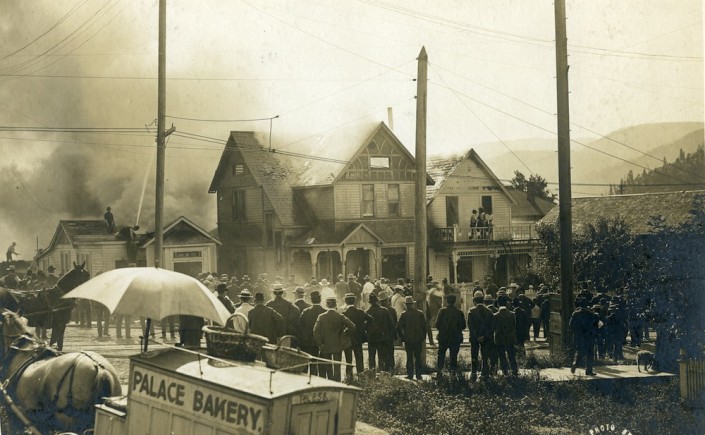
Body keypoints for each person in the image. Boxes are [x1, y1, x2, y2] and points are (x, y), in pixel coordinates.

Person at [313, 296, 356, 382]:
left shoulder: (321, 317)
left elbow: (315, 331)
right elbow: (352, 326)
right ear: (335, 304)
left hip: (325, 345)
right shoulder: (340, 316)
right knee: (337, 366)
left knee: (328, 366)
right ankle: (337, 382)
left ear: (326, 305)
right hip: (337, 344)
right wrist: (344, 333)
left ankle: (329, 382)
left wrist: (320, 343)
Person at [341, 293, 372, 380]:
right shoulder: (360, 312)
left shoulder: (344, 313)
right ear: (354, 301)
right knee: (359, 357)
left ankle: (349, 377)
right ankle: (360, 376)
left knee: (348, 359)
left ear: (346, 302)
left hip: (348, 338)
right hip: (359, 338)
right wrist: (364, 327)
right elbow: (370, 319)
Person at [396, 296, 428, 380]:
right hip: (418, 339)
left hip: (408, 339)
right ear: (413, 304)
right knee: (418, 357)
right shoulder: (420, 313)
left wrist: (402, 337)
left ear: (406, 305)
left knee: (409, 357)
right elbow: (425, 327)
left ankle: (410, 375)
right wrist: (423, 336)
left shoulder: (404, 314)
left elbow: (399, 327)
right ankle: (418, 375)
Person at [435, 294, 466, 372]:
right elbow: (463, 326)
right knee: (454, 357)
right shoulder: (459, 312)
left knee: (441, 356)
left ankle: (439, 373)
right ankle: (453, 375)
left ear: (446, 301)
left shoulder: (442, 311)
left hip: (443, 337)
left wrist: (443, 330)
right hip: (455, 338)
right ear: (455, 301)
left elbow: (437, 325)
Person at [467, 291, 495, 381]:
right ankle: (484, 373)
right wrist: (483, 335)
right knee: (485, 356)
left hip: (475, 338)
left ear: (474, 300)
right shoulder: (489, 311)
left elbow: (470, 327)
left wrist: (477, 336)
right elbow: (491, 327)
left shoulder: (471, 311)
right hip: (486, 338)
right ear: (483, 300)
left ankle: (474, 373)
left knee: (474, 356)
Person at [365, 293, 396, 372]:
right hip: (382, 337)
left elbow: (365, 326)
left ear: (369, 302)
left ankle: (372, 372)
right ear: (377, 301)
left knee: (371, 356)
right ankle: (382, 372)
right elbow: (391, 324)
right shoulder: (384, 310)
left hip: (371, 338)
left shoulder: (367, 312)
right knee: (381, 356)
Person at [569, 300, 599, 375]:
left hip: (579, 336)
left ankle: (575, 364)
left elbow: (571, 325)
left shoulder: (575, 313)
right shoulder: (591, 314)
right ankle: (589, 370)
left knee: (580, 351)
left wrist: (576, 332)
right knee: (590, 353)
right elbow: (596, 324)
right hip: (589, 336)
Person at [299, 290, 325, 376]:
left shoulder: (306, 311)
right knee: (315, 365)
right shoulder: (324, 311)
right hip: (319, 342)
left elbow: (300, 326)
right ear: (320, 299)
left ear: (311, 300)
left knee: (305, 364)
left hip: (306, 342)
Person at [494, 297, 518, 376]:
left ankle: (505, 372)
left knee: (502, 356)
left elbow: (493, 328)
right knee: (512, 356)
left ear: (498, 304)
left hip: (499, 339)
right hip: (510, 338)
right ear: (507, 303)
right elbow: (515, 326)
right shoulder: (512, 314)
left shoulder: (495, 316)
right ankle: (514, 372)